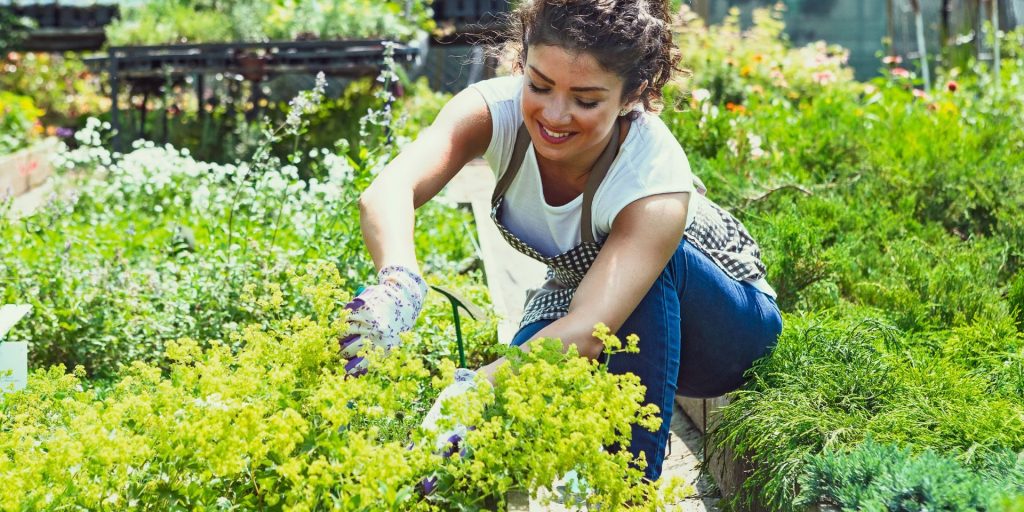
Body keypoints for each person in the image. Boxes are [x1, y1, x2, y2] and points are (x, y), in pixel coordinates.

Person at [342, 0, 783, 482]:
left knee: (523, 369)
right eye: (539, 85)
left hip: (727, 331)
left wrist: (475, 390)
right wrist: (398, 281)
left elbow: (589, 328)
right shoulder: (494, 113)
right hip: (591, 301)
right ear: (521, 64)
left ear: (631, 94)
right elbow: (388, 190)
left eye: (586, 100)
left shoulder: (652, 175)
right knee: (508, 405)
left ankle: (625, 487)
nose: (554, 115)